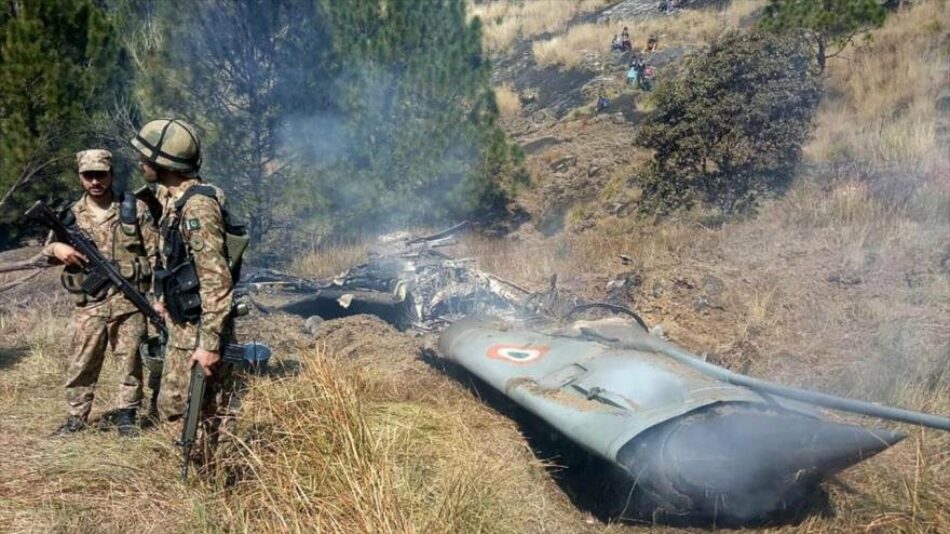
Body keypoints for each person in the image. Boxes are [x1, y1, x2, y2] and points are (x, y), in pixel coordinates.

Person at [130, 118, 240, 466]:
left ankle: (206, 477)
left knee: (194, 409)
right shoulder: (176, 201)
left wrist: (208, 345)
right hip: (182, 325)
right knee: (176, 405)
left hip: (198, 330)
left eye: (145, 158)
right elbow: (177, 261)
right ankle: (194, 469)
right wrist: (165, 297)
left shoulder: (197, 208)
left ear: (164, 163)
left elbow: (217, 281)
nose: (140, 163)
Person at [46, 149, 158, 437]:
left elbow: (156, 256)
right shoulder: (69, 215)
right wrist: (57, 249)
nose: (95, 181)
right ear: (80, 177)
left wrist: (158, 299)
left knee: (130, 362)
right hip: (89, 305)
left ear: (111, 174)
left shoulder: (135, 209)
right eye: (88, 175)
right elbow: (47, 250)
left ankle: (127, 416)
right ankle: (76, 417)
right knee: (81, 363)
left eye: (100, 174)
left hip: (129, 301)